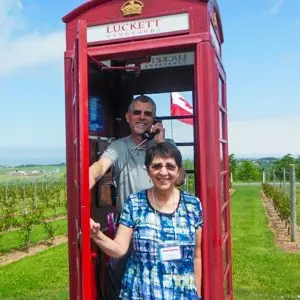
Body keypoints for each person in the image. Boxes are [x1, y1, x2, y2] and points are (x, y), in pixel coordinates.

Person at [89, 95, 186, 297]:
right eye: (137, 112)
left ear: (154, 120)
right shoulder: (119, 146)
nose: (142, 117)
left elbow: (179, 179)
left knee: (164, 285)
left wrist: (160, 144)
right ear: (127, 117)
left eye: (147, 114)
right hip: (128, 230)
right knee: (119, 279)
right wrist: (88, 177)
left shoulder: (167, 146)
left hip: (162, 227)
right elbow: (101, 166)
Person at [90, 142, 203, 299]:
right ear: (148, 171)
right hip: (140, 294)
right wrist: (96, 234)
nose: (163, 172)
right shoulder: (135, 203)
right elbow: (119, 249)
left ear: (178, 171)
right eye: (156, 166)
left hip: (181, 294)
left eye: (170, 166)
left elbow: (196, 255)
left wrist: (197, 293)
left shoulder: (193, 205)